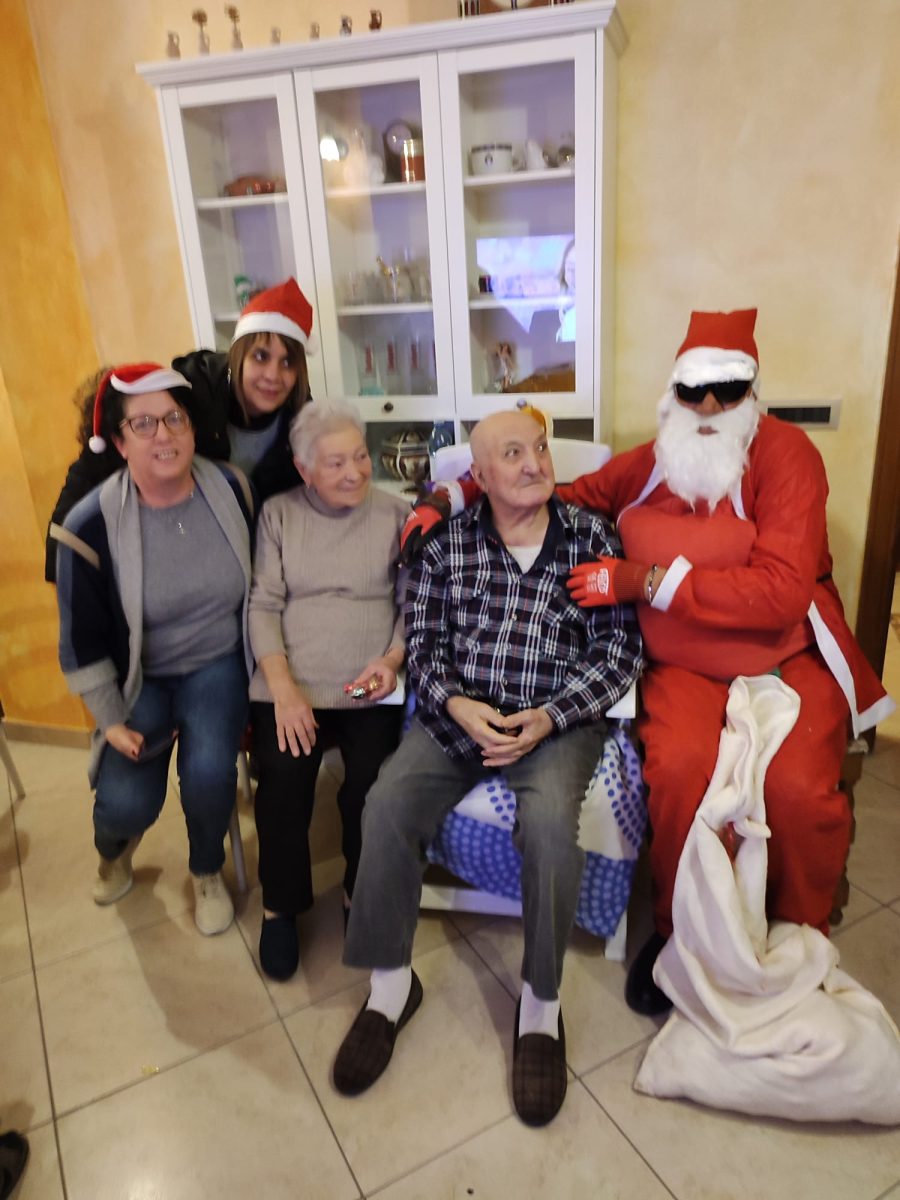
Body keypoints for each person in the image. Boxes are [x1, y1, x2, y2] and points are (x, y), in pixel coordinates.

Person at [403, 309, 894, 1016]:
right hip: (681, 665)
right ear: (675, 391)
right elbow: (547, 491)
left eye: (728, 389)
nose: (710, 406)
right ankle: (674, 933)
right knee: (677, 776)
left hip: (783, 659)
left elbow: (782, 592)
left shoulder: (788, 457)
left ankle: (798, 934)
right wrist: (449, 495)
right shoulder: (655, 459)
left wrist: (642, 580)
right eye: (694, 389)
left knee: (796, 789)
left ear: (752, 390)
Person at [332, 410, 642, 1127]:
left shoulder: (592, 539)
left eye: (540, 448)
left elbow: (620, 653)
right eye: (513, 453)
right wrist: (456, 704)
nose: (535, 463)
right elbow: (425, 644)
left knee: (550, 830)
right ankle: (389, 987)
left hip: (555, 724)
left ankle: (540, 1007)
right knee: (385, 805)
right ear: (480, 474)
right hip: (458, 717)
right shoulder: (449, 544)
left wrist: (550, 717)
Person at [52, 363, 255, 935]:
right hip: (136, 676)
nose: (164, 434)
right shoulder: (86, 525)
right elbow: (80, 636)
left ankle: (206, 869)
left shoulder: (233, 488)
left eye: (174, 418)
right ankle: (112, 850)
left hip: (216, 662)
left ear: (192, 426)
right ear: (118, 442)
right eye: (143, 424)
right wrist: (110, 718)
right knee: (126, 801)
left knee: (209, 771)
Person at [248, 400, 409, 981]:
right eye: (336, 463)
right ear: (304, 468)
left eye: (360, 457)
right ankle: (280, 906)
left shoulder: (396, 514)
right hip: (292, 682)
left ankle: (356, 891)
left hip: (370, 682)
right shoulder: (279, 515)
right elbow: (263, 604)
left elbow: (412, 604)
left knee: (372, 784)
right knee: (282, 780)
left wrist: (391, 660)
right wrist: (283, 689)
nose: (354, 472)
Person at [45, 277, 315, 581]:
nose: (273, 375)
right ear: (238, 354)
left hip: (250, 567)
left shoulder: (302, 424)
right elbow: (101, 458)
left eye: (287, 362)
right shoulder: (190, 393)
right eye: (261, 356)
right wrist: (61, 557)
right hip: (170, 550)